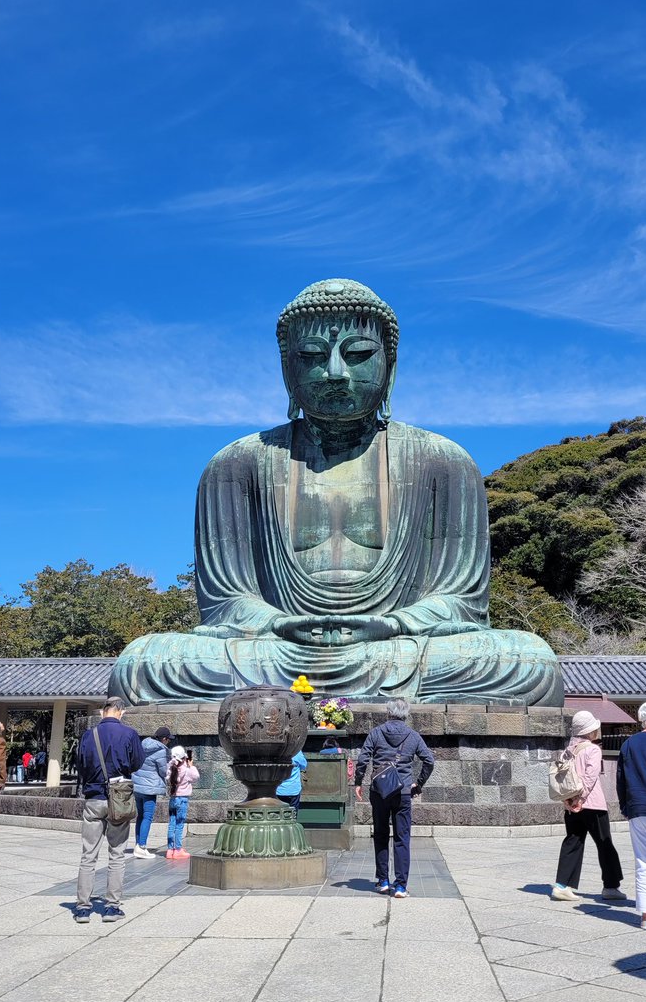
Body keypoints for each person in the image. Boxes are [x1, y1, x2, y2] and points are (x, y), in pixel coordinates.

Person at [109, 278, 562, 708]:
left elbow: (461, 600)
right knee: (146, 663)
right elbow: (225, 600)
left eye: (359, 353)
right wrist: (276, 622)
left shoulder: (443, 461)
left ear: (389, 364)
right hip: (276, 650)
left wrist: (393, 623)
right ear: (288, 368)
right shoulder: (236, 464)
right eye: (311, 356)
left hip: (397, 648)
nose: (335, 373)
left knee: (526, 661)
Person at [74, 697, 145, 923]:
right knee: (116, 855)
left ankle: (83, 908)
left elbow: (81, 764)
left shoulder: (88, 735)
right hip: (119, 798)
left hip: (94, 798)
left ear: (103, 712)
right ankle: (111, 907)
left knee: (88, 855)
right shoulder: (129, 734)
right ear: (121, 712)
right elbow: (137, 763)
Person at [354, 699, 434, 897]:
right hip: (403, 792)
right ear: (406, 715)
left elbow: (363, 759)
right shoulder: (413, 736)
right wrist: (419, 783)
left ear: (388, 712)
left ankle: (382, 880)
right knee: (401, 838)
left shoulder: (376, 733)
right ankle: (400, 886)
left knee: (380, 834)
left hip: (379, 791)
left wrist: (358, 782)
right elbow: (429, 761)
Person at [552, 709, 624, 903]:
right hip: (592, 804)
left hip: (570, 804)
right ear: (590, 730)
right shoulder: (592, 749)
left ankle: (561, 885)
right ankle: (611, 886)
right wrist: (581, 798)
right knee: (604, 843)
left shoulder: (568, 750)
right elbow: (590, 777)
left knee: (573, 842)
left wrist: (570, 800)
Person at [617, 700, 646, 928]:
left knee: (645, 864)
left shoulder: (628, 745)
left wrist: (626, 807)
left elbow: (621, 780)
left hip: (638, 810)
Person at [131, 725, 172, 858]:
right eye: (168, 740)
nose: (169, 742)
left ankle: (138, 844)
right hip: (150, 788)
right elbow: (163, 771)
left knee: (140, 816)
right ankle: (142, 846)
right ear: (164, 739)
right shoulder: (159, 750)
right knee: (147, 817)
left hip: (138, 786)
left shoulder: (142, 746)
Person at [166, 746, 199, 860]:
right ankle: (178, 850)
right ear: (184, 758)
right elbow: (196, 777)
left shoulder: (170, 768)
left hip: (173, 799)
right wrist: (191, 765)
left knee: (172, 824)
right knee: (179, 825)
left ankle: (170, 850)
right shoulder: (187, 770)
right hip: (182, 799)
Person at [276, 750, 308, 815]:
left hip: (278, 790)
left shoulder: (277, 752)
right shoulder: (297, 752)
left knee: (277, 815)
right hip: (293, 790)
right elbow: (303, 766)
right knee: (293, 815)